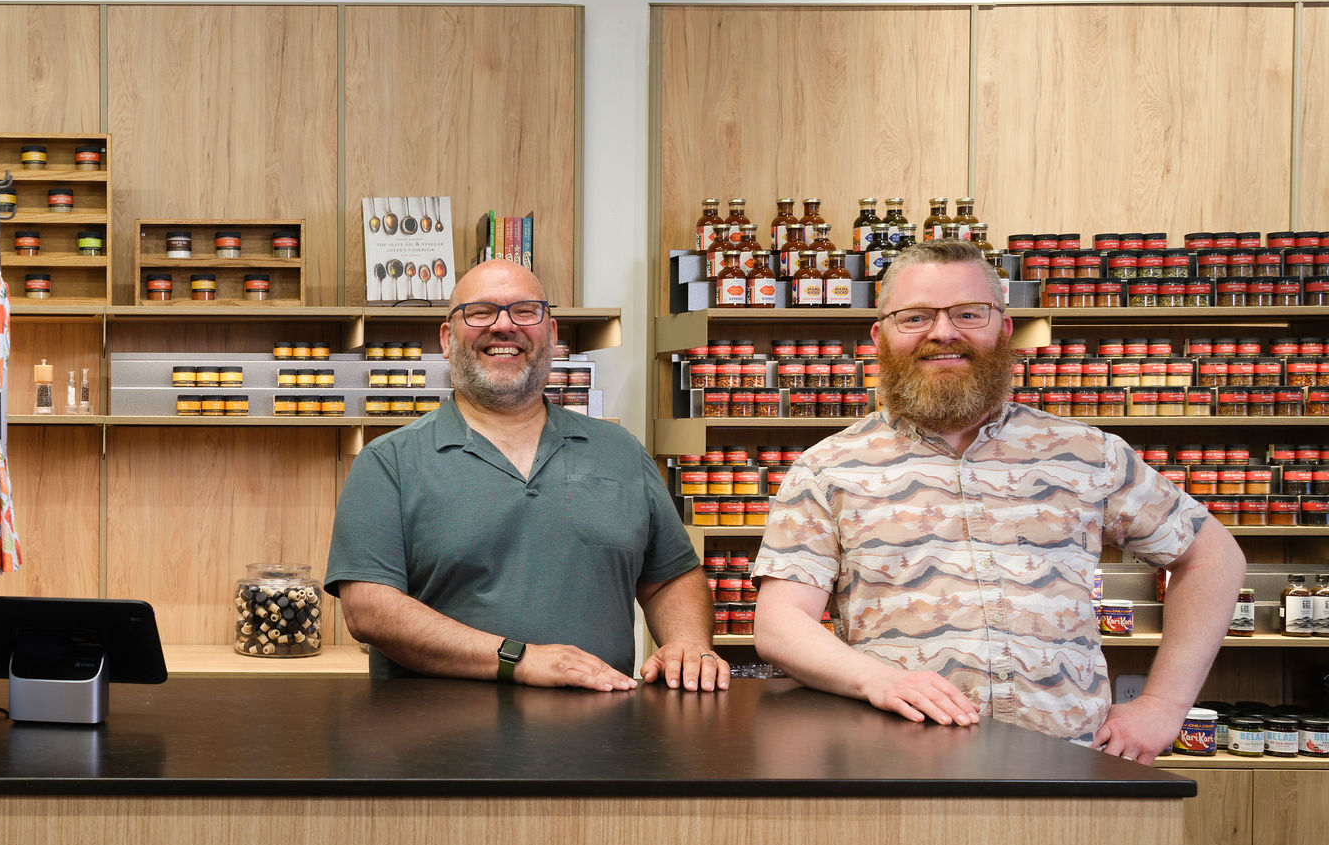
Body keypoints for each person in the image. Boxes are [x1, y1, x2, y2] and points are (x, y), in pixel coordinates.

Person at [752, 239, 1245, 762]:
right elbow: (781, 624)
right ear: (880, 336)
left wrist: (1165, 705)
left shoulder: (1087, 453)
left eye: (968, 313)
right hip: (896, 769)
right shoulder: (828, 468)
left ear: (1004, 328)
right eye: (915, 316)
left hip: (1069, 766)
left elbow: (1212, 558)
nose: (943, 332)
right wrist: (876, 679)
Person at [326, 260, 726, 691]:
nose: (504, 327)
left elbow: (671, 576)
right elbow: (370, 610)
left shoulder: (620, 451)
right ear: (447, 338)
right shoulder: (390, 461)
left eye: (525, 311)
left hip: (599, 739)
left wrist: (687, 639)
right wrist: (517, 659)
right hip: (439, 742)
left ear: (552, 334)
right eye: (480, 312)